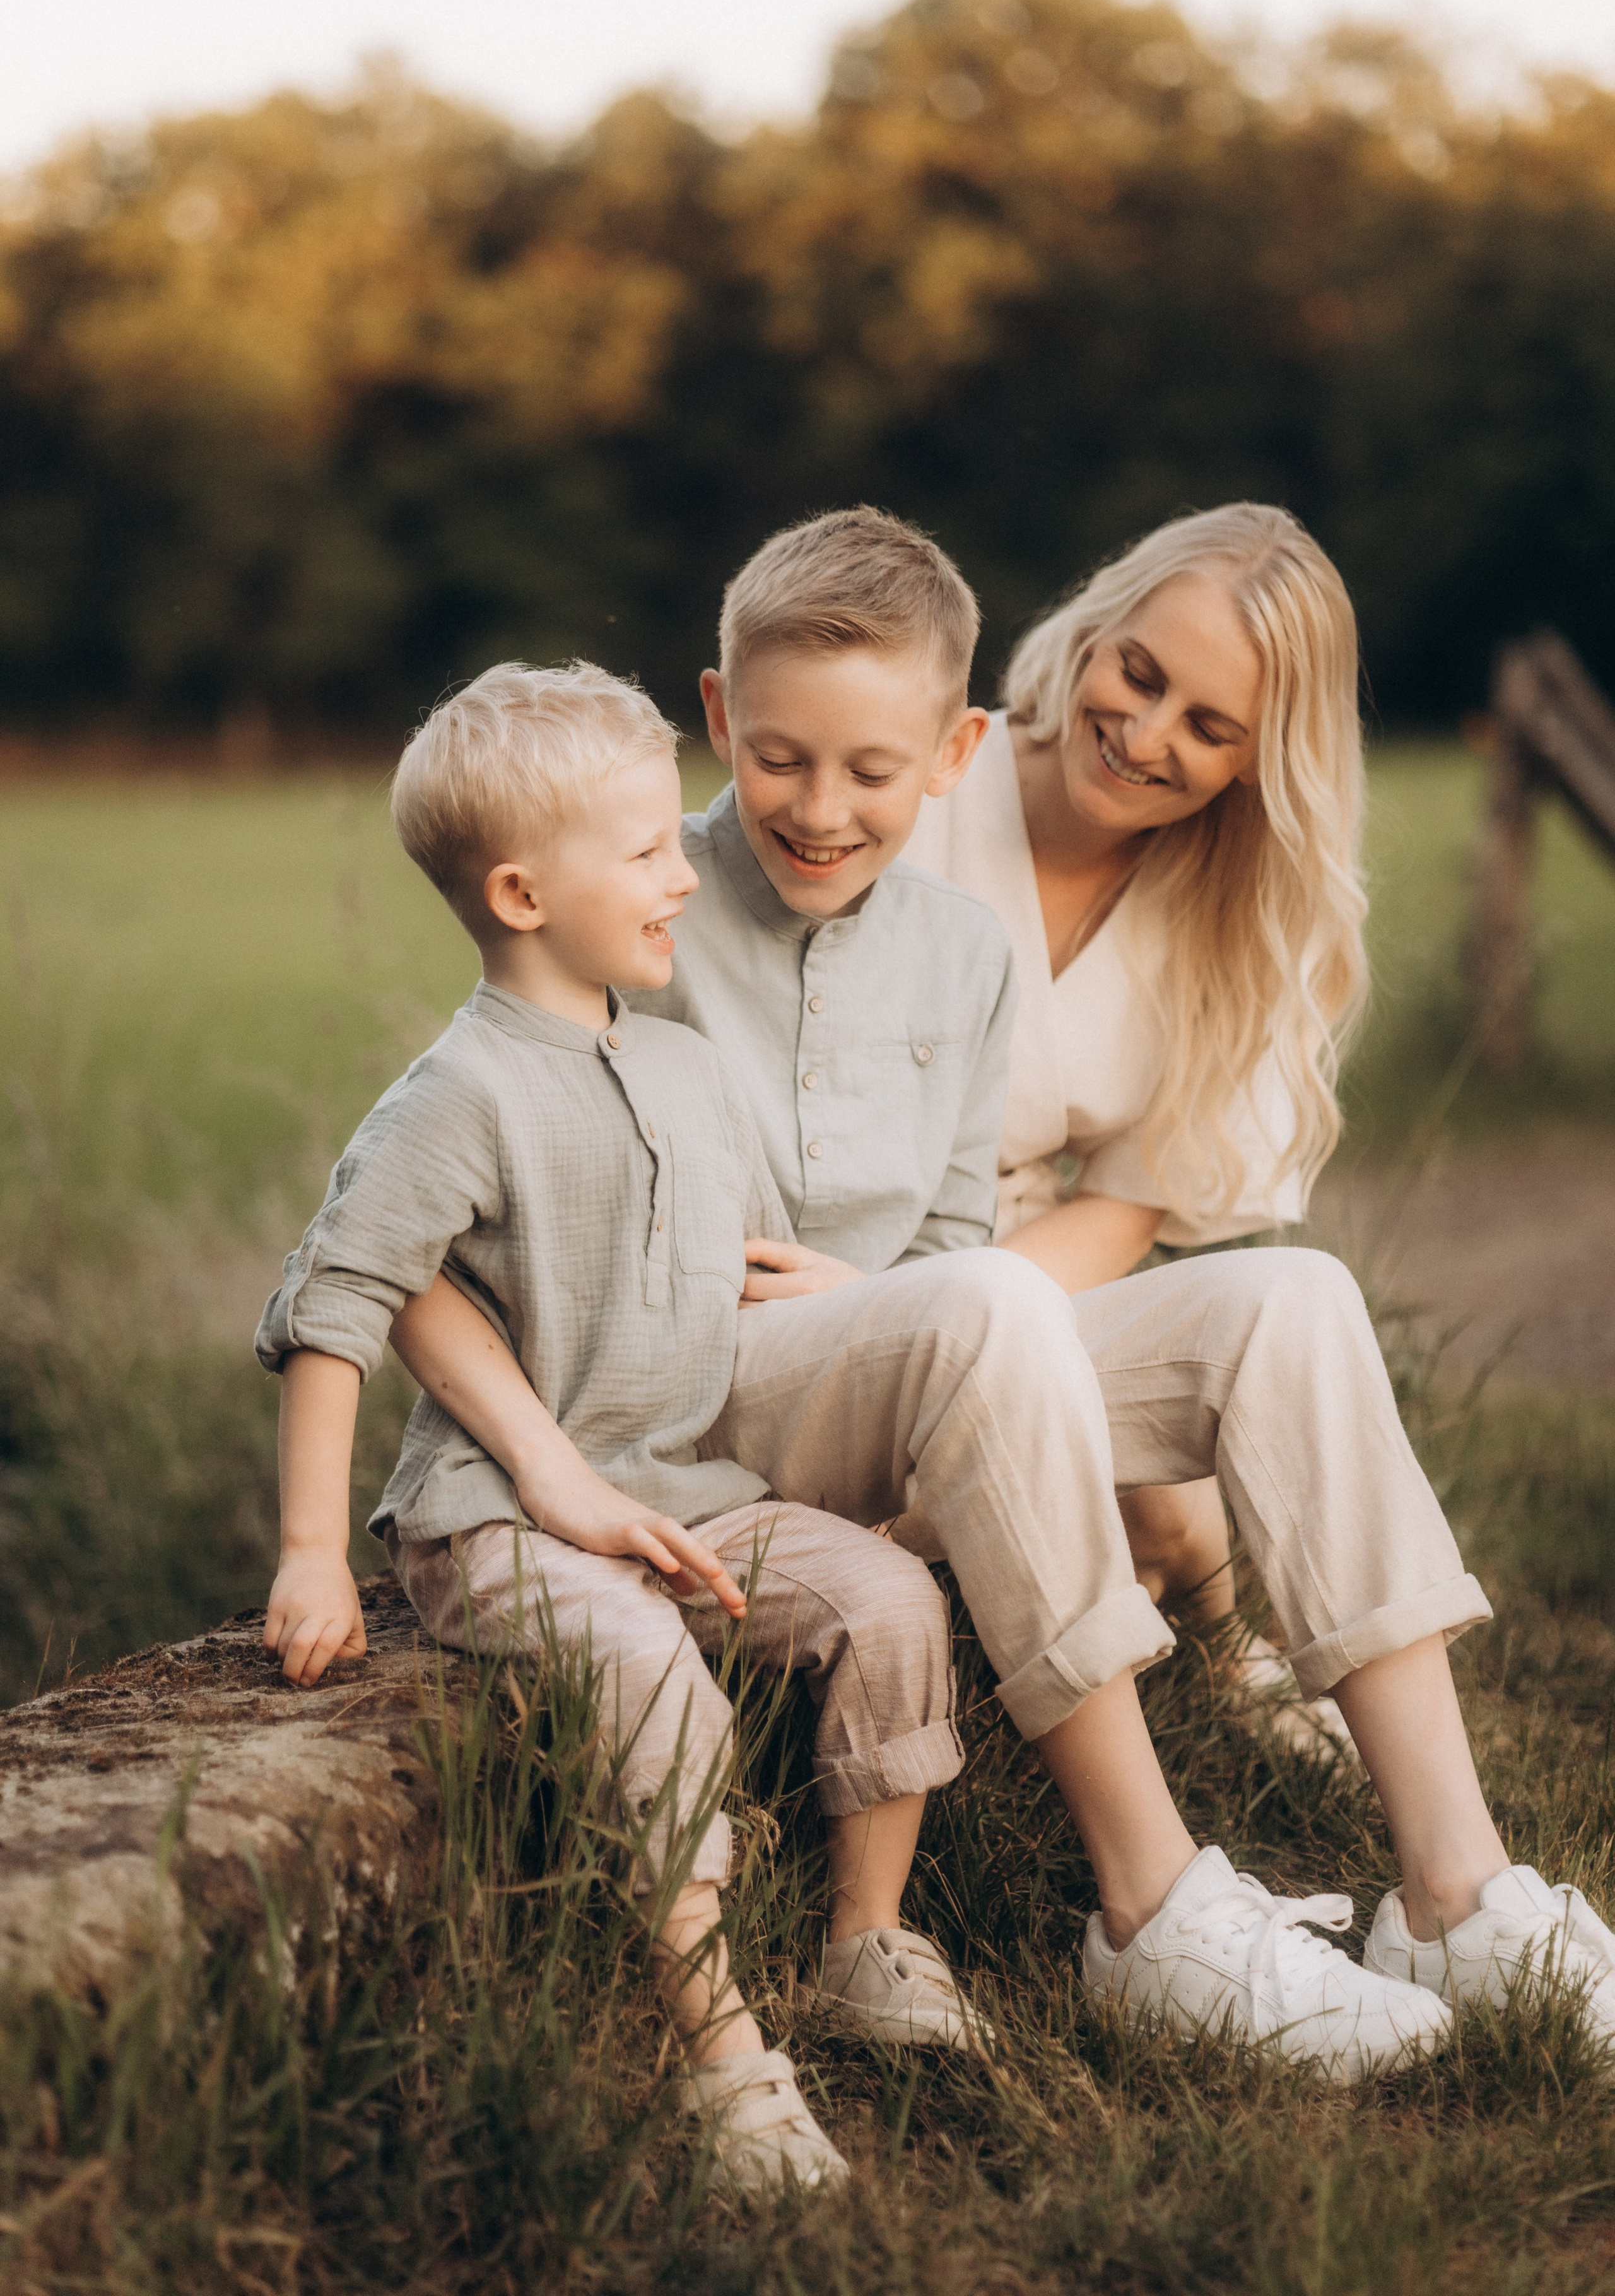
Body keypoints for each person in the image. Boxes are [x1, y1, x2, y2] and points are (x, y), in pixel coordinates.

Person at [393, 514, 1508, 2085]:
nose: (825, 807)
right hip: (709, 1375)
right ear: (722, 723)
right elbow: (470, 1166)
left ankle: (1458, 1889)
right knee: (981, 1304)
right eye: (1137, 677)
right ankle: (1152, 1907)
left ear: (942, 750)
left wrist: (906, 1295)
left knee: (1292, 1301)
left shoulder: (956, 948)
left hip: (908, 1341)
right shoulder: (647, 896)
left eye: (1207, 724)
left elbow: (952, 1233)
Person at [257, 661, 1004, 2199]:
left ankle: (867, 1940)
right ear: (525, 892)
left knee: (886, 1601)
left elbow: (725, 1275)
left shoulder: (679, 1065)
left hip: (685, 1483)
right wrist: (312, 1556)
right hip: (497, 1521)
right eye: (653, 851)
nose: (688, 873)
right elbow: (339, 1301)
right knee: (651, 1676)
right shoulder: (453, 1093)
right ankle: (721, 2057)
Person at [903, 503, 1370, 1751]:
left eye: (1207, 726)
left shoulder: (1225, 912)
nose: (1141, 734)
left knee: (1154, 1476)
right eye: (1139, 674)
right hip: (810, 1235)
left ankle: (1224, 1642)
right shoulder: (916, 779)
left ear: (1256, 759)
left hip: (1013, 1256)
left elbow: (1127, 1199)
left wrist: (977, 1317)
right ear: (1098, 624)